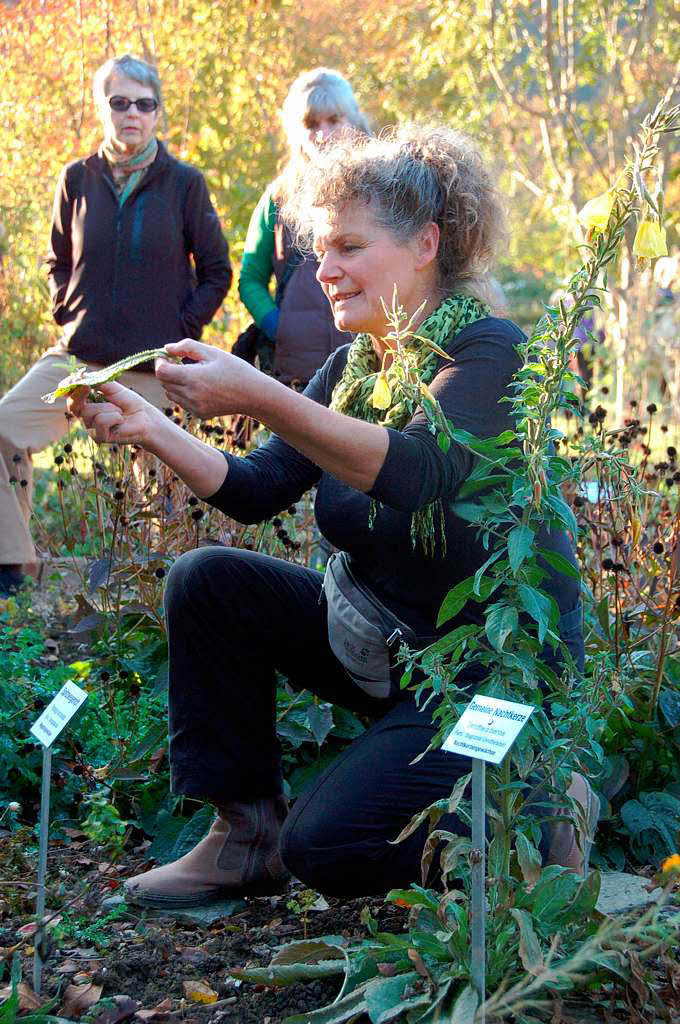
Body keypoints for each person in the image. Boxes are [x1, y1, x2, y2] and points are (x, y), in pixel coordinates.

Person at [72, 125, 596, 907]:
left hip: (487, 676)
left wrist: (257, 394)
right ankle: (244, 835)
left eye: (349, 247)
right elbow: (256, 489)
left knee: (324, 845)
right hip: (386, 652)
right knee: (207, 579)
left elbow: (418, 471)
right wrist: (150, 425)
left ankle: (548, 803)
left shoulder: (490, 355)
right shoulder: (358, 366)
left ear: (425, 244)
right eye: (320, 250)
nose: (324, 271)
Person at [0, 54, 231, 598]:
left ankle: (160, 596)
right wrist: (66, 307)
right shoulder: (76, 178)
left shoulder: (184, 184)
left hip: (149, 365)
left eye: (144, 104)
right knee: (4, 426)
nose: (132, 114)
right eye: (120, 102)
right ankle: (14, 569)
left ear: (157, 113)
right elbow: (55, 259)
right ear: (103, 108)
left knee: (156, 479)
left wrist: (180, 328)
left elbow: (217, 271)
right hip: (76, 358)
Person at [236, 68, 369, 388]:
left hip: (371, 365)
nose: (323, 136)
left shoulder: (383, 189)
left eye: (333, 121)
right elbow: (251, 279)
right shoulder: (278, 197)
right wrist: (280, 327)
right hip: (296, 372)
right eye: (311, 125)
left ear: (352, 121)